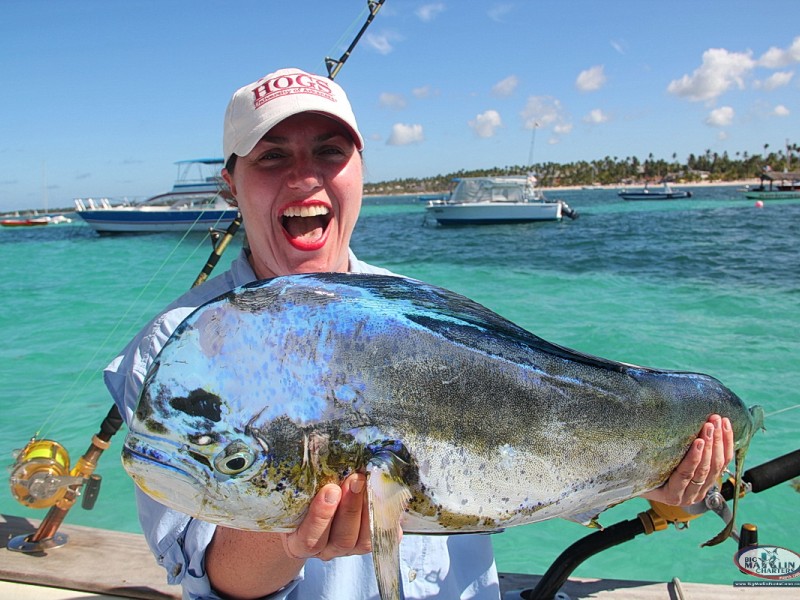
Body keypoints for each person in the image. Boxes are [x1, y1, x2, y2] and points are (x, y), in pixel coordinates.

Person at [105, 67, 735, 600]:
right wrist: (288, 538)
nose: (305, 175)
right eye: (272, 155)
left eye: (330, 151)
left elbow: (531, 450)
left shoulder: (423, 317)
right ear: (230, 184)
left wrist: (669, 485)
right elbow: (207, 574)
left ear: (360, 171)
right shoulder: (172, 349)